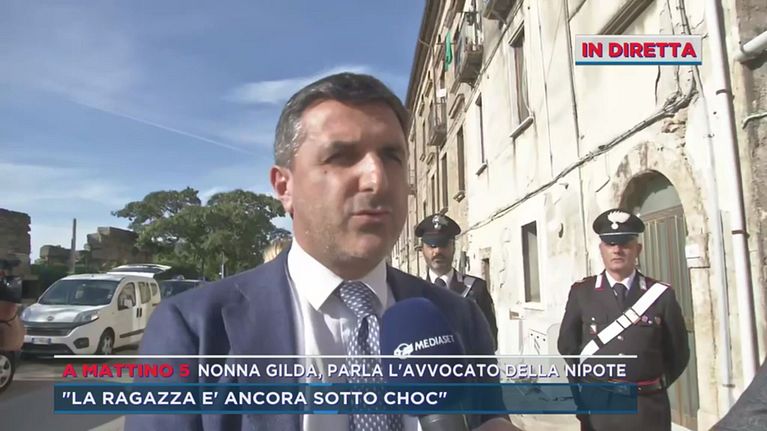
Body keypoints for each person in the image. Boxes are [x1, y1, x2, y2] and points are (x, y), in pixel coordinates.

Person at [126, 73, 517, 431]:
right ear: (284, 187)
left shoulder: (459, 318)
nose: (377, 179)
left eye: (392, 156)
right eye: (341, 156)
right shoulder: (192, 330)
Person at [557, 208, 690, 431]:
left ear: (638, 249)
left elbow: (678, 353)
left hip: (648, 409)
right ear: (601, 249)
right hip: (598, 408)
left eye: (625, 243)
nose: (617, 250)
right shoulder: (582, 293)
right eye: (610, 244)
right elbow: (568, 347)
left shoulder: (661, 295)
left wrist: (650, 385)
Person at [414, 213, 498, 350]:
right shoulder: (412, 291)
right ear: (422, 249)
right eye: (431, 245)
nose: (437, 251)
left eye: (443, 244)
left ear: (453, 247)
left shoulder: (475, 289)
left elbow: (491, 341)